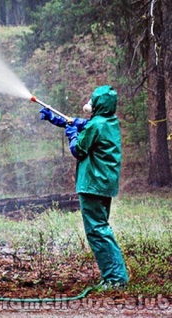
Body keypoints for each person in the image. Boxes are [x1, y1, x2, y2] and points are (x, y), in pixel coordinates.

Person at [40, 85, 128, 290]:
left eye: (93, 100)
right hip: (103, 184)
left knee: (97, 230)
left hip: (92, 185)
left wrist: (72, 134)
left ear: (98, 104)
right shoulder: (109, 122)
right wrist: (59, 120)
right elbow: (83, 124)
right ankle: (115, 276)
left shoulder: (96, 125)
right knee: (101, 227)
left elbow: (78, 149)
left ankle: (115, 279)